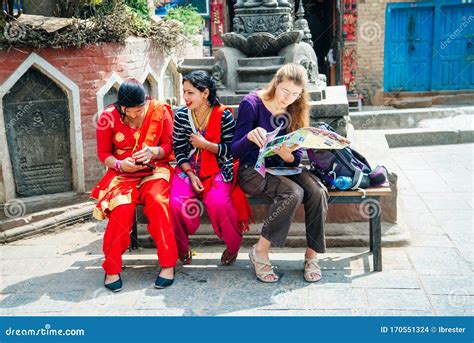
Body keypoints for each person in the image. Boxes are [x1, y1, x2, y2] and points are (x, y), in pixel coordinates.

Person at [231, 63, 328, 283]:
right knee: (293, 193)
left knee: (316, 191)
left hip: (285, 167)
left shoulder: (296, 108)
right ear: (276, 83)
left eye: (295, 94)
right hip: (253, 169)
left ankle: (312, 255)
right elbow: (234, 150)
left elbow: (298, 153)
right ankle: (260, 251)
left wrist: (287, 155)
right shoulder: (252, 103)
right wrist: (249, 137)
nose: (288, 98)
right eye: (285, 91)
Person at [91, 78, 178, 292]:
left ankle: (168, 264)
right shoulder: (107, 117)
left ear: (145, 102)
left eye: (139, 110)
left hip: (155, 168)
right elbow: (104, 154)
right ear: (120, 106)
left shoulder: (159, 110)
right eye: (128, 111)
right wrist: (121, 164)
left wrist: (154, 151)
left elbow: (169, 145)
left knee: (157, 202)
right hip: (123, 172)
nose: (134, 115)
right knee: (121, 208)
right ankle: (111, 267)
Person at [170, 71, 251, 266]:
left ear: (205, 93)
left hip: (218, 168)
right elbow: (178, 149)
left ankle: (233, 247)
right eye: (184, 92)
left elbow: (231, 150)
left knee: (219, 203)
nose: (185, 97)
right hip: (189, 169)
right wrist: (190, 173)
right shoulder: (182, 116)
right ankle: (182, 247)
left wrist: (205, 145)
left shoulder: (223, 115)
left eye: (190, 93)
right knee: (174, 203)